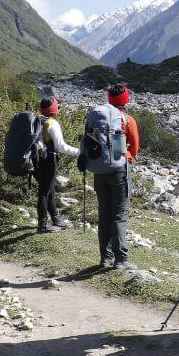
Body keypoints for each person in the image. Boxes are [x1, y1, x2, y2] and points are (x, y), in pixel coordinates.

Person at [79, 84, 140, 268]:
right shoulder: (127, 120)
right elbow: (134, 148)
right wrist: (125, 157)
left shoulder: (97, 118)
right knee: (119, 215)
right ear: (126, 100)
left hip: (99, 170)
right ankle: (121, 259)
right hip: (119, 171)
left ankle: (105, 258)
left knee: (104, 213)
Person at [36, 96, 71, 234]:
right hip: (48, 161)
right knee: (44, 192)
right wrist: (80, 152)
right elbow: (61, 147)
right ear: (54, 109)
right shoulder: (52, 123)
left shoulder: (36, 120)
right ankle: (42, 226)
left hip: (35, 161)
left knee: (49, 189)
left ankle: (56, 219)